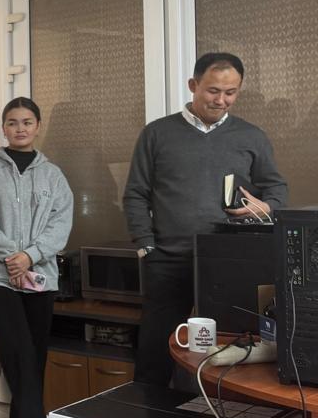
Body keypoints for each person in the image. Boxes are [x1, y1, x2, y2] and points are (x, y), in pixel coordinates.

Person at [123, 52, 287, 386]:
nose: (221, 100)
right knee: (155, 348)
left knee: (229, 348)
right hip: (168, 258)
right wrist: (146, 247)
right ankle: (150, 411)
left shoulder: (251, 136)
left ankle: (217, 411)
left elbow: (276, 188)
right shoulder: (157, 133)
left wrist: (266, 206)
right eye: (213, 91)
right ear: (193, 85)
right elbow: (135, 194)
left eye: (231, 92)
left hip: (229, 260)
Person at [0, 97, 74, 418]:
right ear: (4, 128)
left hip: (40, 275)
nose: (20, 128)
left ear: (37, 126)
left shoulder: (53, 175)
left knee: (35, 353)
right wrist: (12, 257)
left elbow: (61, 224)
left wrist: (29, 256)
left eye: (27, 122)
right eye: (12, 122)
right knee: (17, 351)